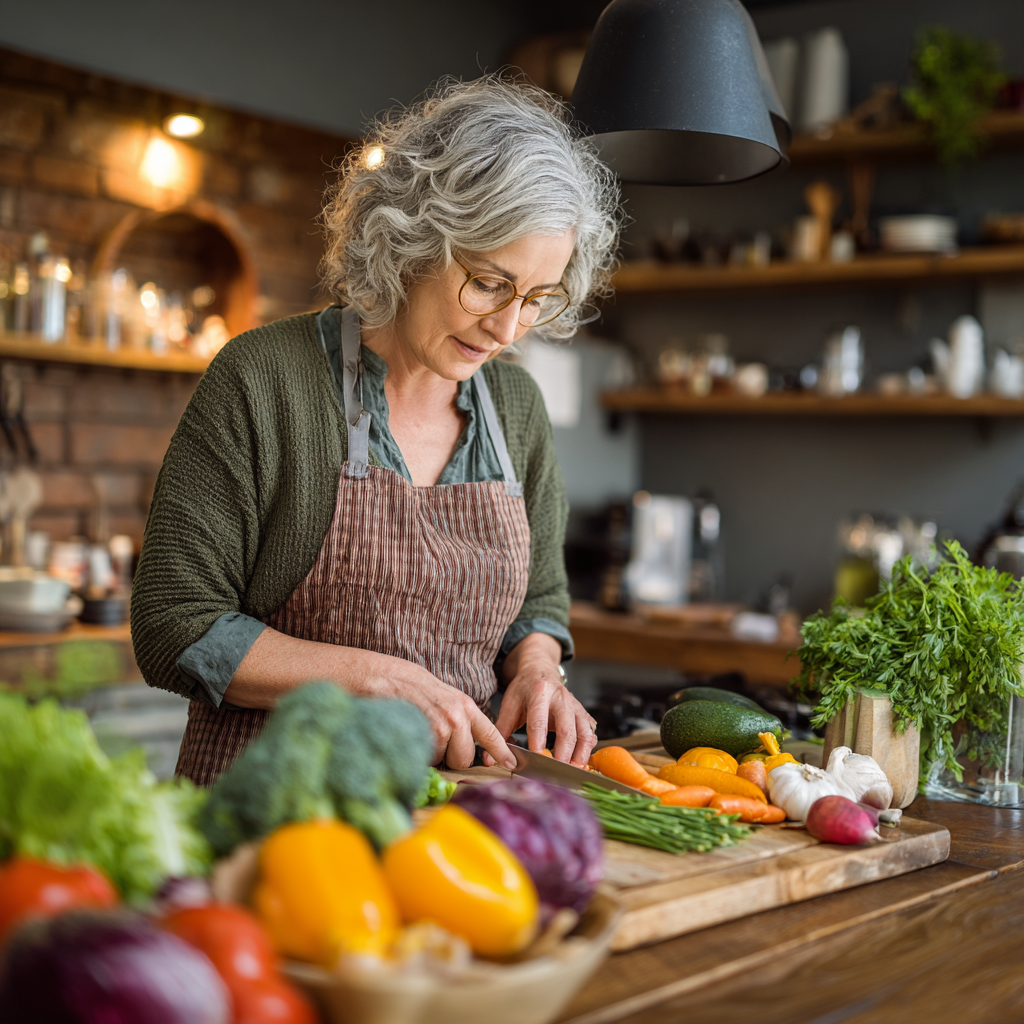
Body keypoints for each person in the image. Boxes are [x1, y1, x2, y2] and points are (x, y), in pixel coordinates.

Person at [130, 76, 622, 786]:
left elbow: (537, 602)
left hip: (455, 821)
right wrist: (369, 677)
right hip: (271, 813)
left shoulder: (515, 406)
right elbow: (174, 623)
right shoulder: (264, 378)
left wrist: (538, 668)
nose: (508, 328)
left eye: (537, 298)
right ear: (414, 241)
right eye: (488, 283)